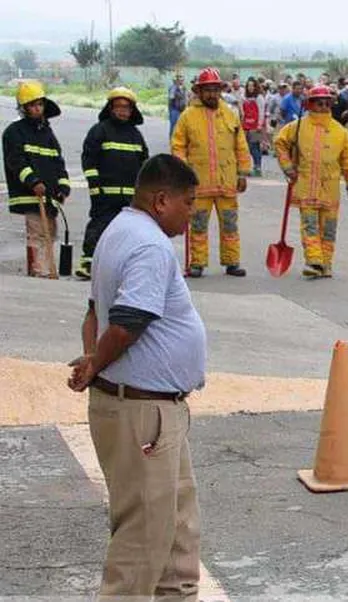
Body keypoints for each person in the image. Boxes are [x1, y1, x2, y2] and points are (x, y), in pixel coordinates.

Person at [67, 153, 206, 599]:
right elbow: (126, 322)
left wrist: (92, 355)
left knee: (176, 531)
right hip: (143, 412)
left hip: (157, 410)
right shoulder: (148, 244)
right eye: (189, 203)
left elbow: (94, 312)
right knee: (142, 540)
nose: (192, 214)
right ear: (162, 200)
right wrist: (95, 363)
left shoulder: (120, 229)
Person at [171, 67, 251, 278]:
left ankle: (232, 262)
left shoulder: (230, 114)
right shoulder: (188, 116)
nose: (212, 94)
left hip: (227, 183)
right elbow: (178, 146)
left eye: (215, 89)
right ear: (199, 91)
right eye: (207, 90)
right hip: (199, 184)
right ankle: (197, 263)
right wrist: (183, 171)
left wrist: (243, 173)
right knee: (197, 226)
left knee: (230, 224)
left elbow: (241, 146)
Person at [274, 85, 348, 280]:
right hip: (306, 188)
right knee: (310, 227)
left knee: (328, 230)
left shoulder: (340, 131)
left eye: (326, 103)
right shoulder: (297, 127)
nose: (323, 106)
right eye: (319, 103)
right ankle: (314, 261)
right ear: (309, 104)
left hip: (330, 191)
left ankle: (326, 264)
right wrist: (287, 167)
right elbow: (279, 143)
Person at [77, 87, 149, 280]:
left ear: (132, 110)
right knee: (99, 226)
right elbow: (89, 159)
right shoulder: (100, 130)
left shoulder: (135, 135)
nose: (122, 111)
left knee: (129, 232)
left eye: (126, 107)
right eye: (118, 107)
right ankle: (88, 263)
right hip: (105, 194)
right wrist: (94, 185)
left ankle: (121, 266)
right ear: (110, 108)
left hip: (130, 195)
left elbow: (144, 163)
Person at [3, 80, 71, 278]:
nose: (37, 108)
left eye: (39, 104)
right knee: (37, 234)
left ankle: (48, 269)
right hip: (30, 195)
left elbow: (58, 162)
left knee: (50, 232)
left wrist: (63, 188)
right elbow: (15, 161)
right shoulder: (14, 132)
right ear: (24, 108)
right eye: (32, 105)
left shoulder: (47, 133)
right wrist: (33, 182)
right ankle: (37, 271)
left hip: (48, 196)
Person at [241, 78, 267, 177]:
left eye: (252, 85)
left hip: (256, 126)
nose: (250, 87)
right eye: (248, 85)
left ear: (256, 86)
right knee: (248, 148)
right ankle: (252, 167)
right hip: (246, 126)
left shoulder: (259, 97)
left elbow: (261, 112)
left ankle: (258, 167)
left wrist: (260, 125)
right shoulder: (245, 97)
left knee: (255, 147)